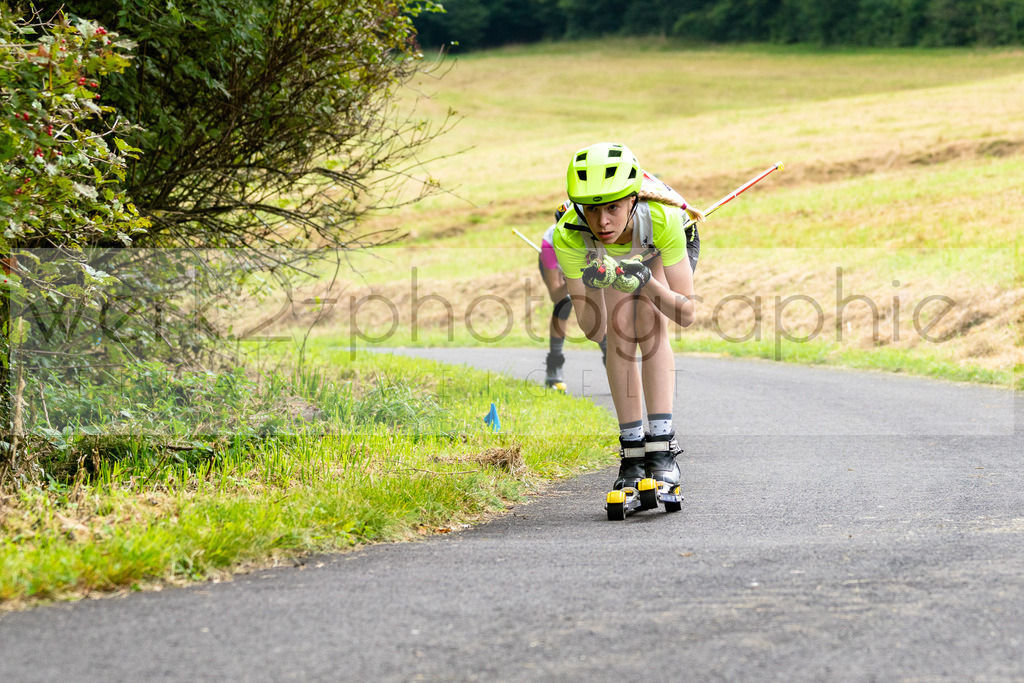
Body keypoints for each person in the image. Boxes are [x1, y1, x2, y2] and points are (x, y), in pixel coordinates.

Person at [551, 142, 704, 493]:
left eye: (612, 209)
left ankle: (662, 448)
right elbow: (594, 330)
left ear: (632, 200)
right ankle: (633, 452)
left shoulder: (662, 219)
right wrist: (593, 285)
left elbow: (687, 313)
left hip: (658, 249)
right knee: (619, 331)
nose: (602, 222)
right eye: (591, 211)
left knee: (649, 321)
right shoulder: (570, 235)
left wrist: (647, 282)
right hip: (604, 259)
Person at [537, 203, 607, 388]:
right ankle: (555, 363)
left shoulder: (598, 233)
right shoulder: (550, 243)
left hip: (588, 262)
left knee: (601, 303)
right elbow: (555, 295)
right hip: (560, 269)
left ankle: (611, 355)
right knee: (564, 304)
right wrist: (571, 278)